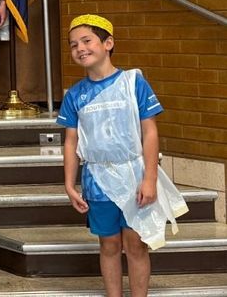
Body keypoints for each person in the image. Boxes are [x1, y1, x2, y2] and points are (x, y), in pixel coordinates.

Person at [59, 15, 188, 297]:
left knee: (135, 245)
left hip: (134, 177)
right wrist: (69, 184)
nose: (80, 48)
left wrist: (149, 178)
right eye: (73, 44)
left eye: (86, 40)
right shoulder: (75, 95)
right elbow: (71, 142)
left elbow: (150, 133)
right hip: (97, 181)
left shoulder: (133, 83)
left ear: (108, 43)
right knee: (109, 245)